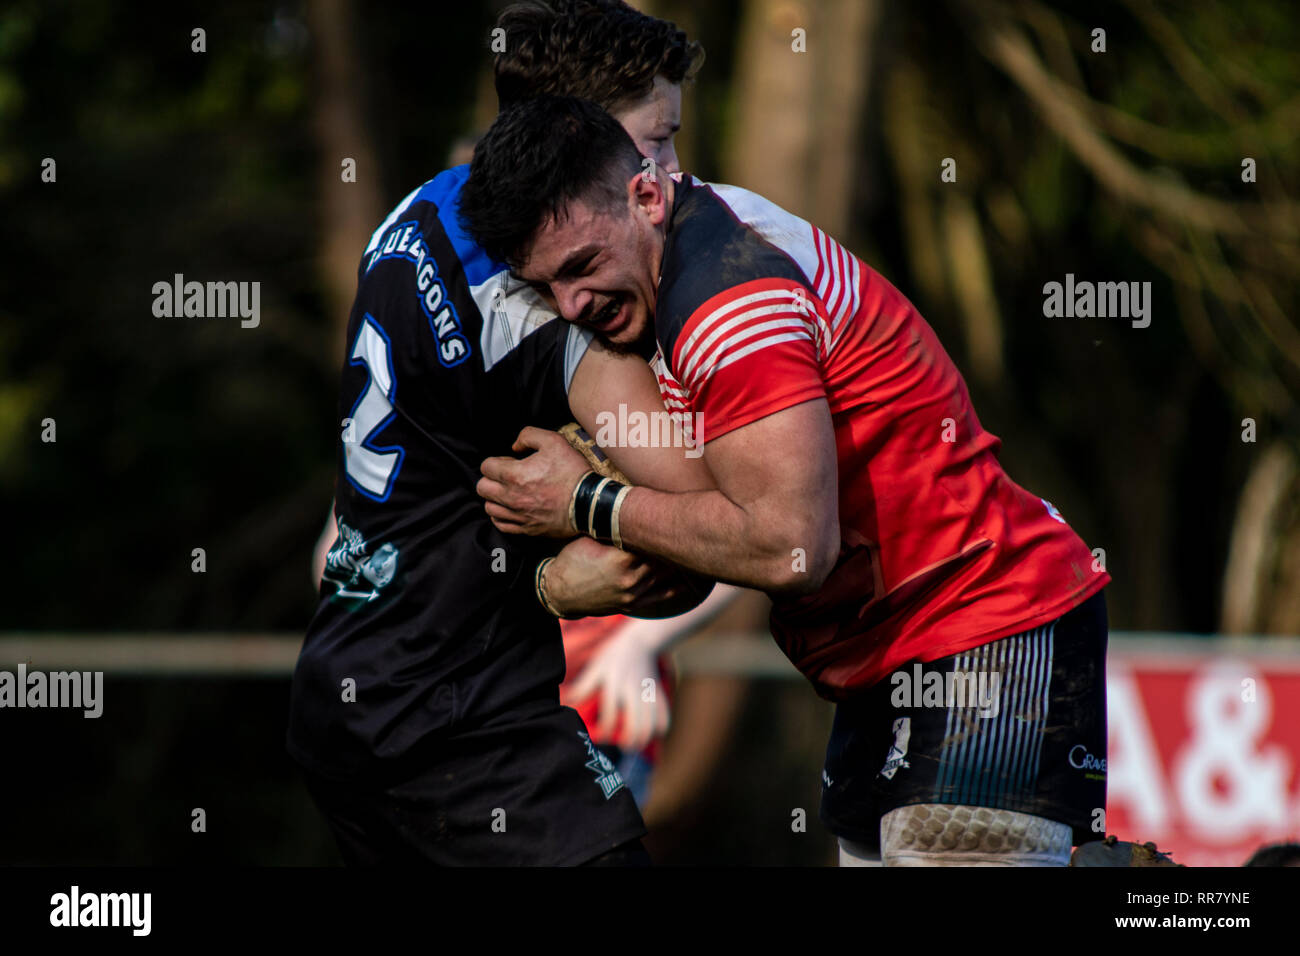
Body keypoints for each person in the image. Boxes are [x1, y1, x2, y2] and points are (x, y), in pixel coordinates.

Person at [461, 95, 1113, 867]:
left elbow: (790, 548)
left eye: (582, 267)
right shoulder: (690, 247)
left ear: (645, 195)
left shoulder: (726, 304)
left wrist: (587, 503)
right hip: (889, 651)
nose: (573, 306)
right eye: (548, 288)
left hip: (983, 626)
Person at [287, 2, 711, 866]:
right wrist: (587, 527)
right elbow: (708, 506)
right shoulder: (544, 299)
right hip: (455, 717)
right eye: (656, 142)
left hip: (352, 677)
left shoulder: (419, 207)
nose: (673, 176)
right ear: (571, 133)